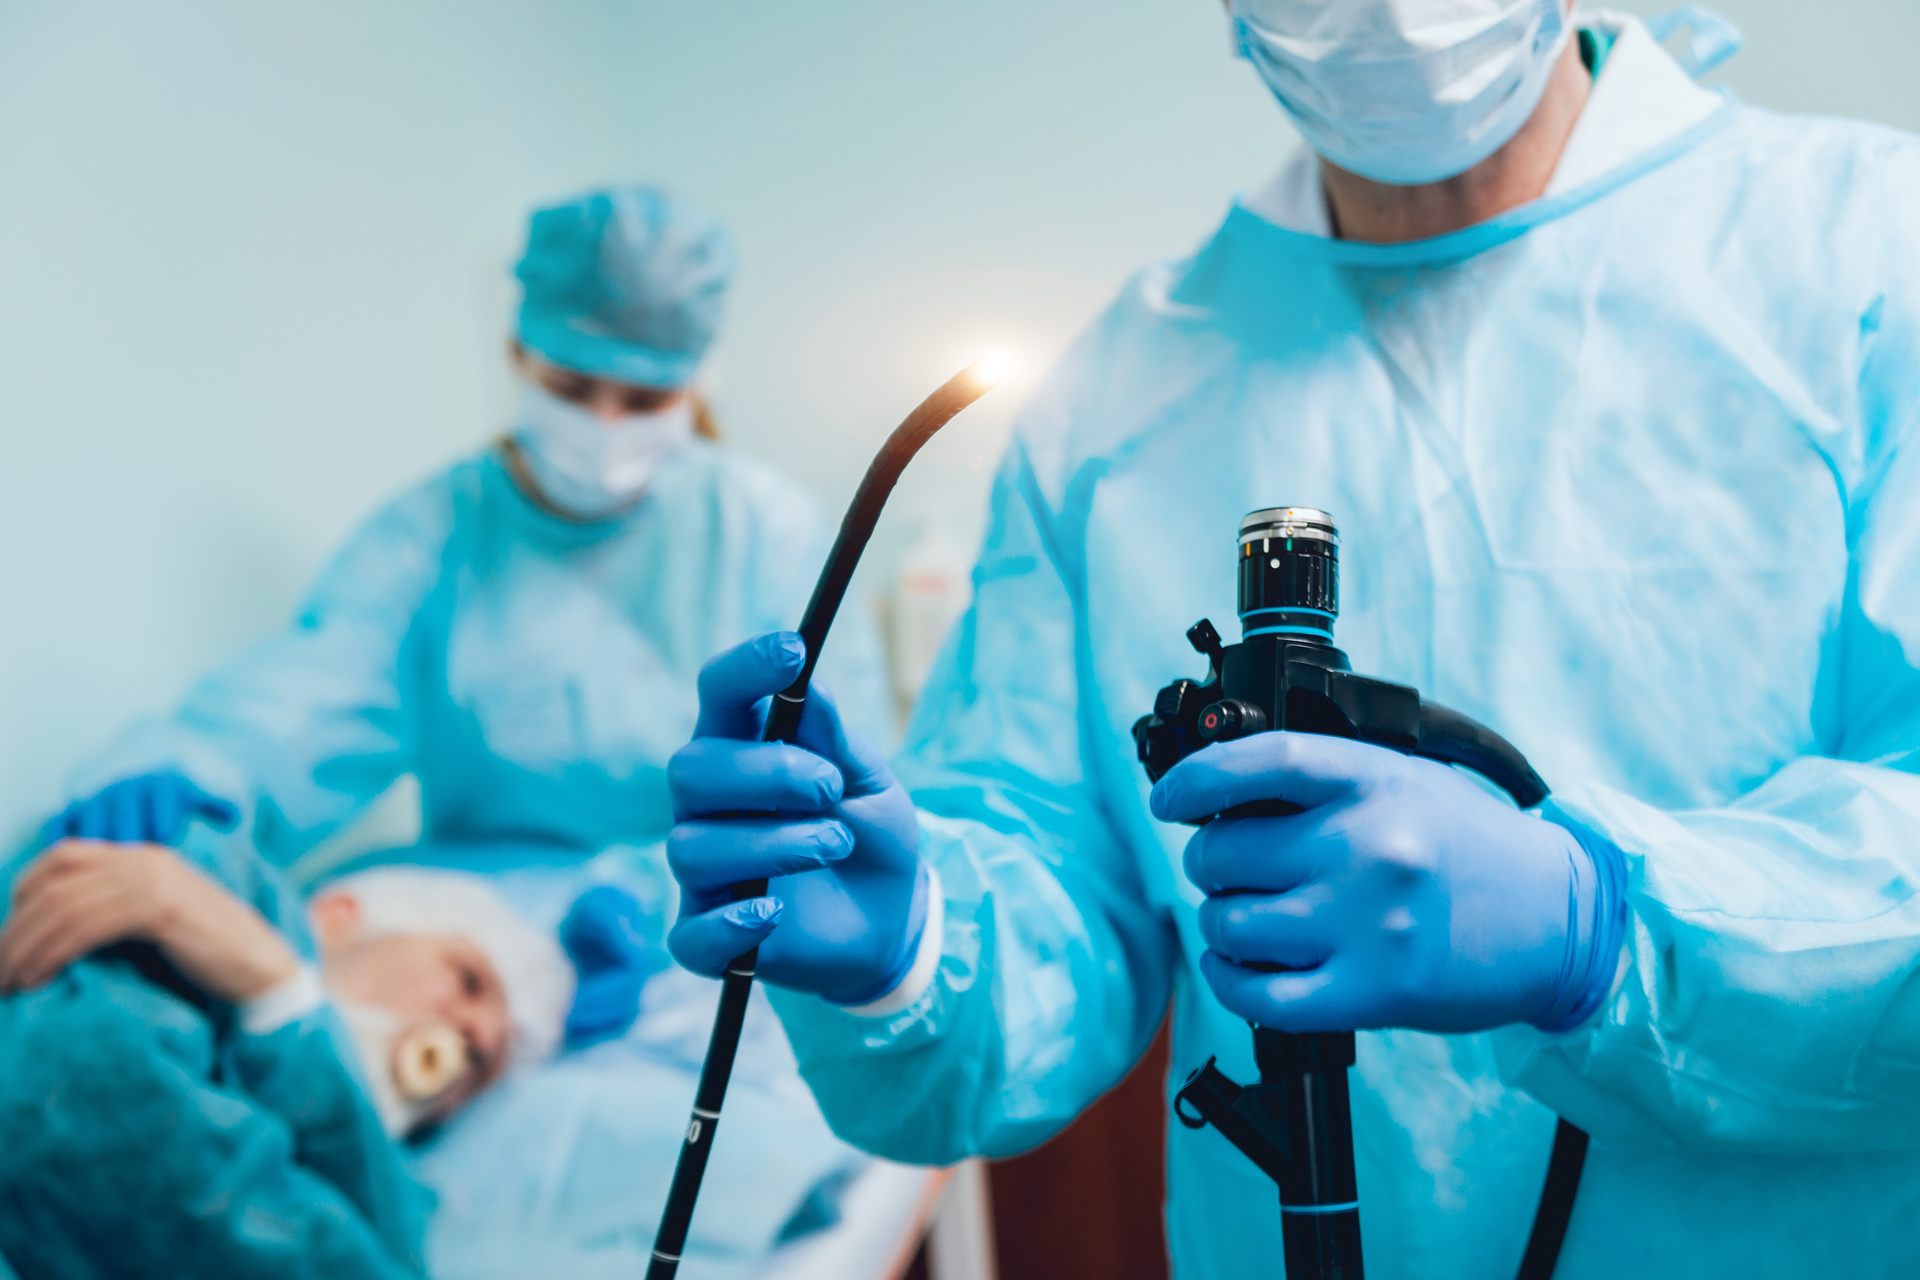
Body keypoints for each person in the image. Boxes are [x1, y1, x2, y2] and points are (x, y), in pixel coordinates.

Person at [661, 4, 1920, 1278]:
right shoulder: (1122, 386)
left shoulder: (1872, 248)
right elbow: (1060, 889)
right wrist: (911, 946)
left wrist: (1602, 923)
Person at [49, 183, 887, 873]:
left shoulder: (761, 528)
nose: (604, 425)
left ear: (695, 390)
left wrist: (647, 898)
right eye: (571, 386)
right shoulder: (428, 536)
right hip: (478, 916)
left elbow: (835, 765)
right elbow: (311, 690)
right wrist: (199, 769)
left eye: (644, 401)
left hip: (713, 909)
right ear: (517, 355)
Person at [0, 834, 571, 1278]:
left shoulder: (402, 1201)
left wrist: (280, 999)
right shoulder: (193, 887)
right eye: (468, 981)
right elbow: (66, 1124)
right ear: (340, 917)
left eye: (482, 1069)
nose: (473, 1035)